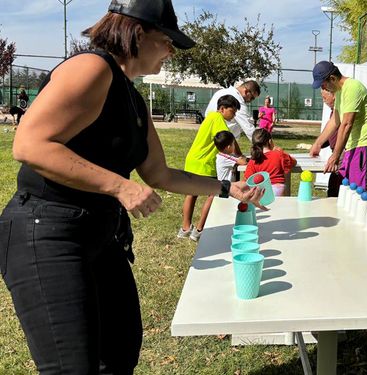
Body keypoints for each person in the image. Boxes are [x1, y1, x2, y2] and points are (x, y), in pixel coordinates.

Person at [0, 1, 265, 373]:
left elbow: (160, 174)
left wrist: (226, 189)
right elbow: (29, 145)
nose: (172, 52)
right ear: (139, 33)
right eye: (168, 41)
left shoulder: (133, 99)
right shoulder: (92, 68)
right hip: (46, 232)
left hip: (99, 234)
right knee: (72, 366)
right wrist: (119, 186)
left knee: (120, 353)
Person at [178, 95, 245, 241]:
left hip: (193, 161)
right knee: (213, 194)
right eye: (232, 112)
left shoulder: (210, 117)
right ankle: (200, 230)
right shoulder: (217, 118)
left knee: (191, 193)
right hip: (205, 164)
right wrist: (239, 155)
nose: (233, 115)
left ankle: (185, 228)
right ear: (222, 109)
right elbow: (229, 139)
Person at [310, 61, 367, 192]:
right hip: (352, 146)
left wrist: (335, 156)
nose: (324, 89)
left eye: (324, 85)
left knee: (357, 193)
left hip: (364, 145)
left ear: (332, 78)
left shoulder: (352, 87)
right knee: (345, 191)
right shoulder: (340, 91)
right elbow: (335, 121)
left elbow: (347, 124)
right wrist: (318, 144)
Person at [244, 128, 297, 197]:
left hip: (261, 191)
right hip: (278, 189)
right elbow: (293, 162)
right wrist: (282, 152)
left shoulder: (253, 160)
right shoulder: (279, 154)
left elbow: (248, 178)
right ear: (270, 141)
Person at [309, 88, 342, 196]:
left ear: (334, 95)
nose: (324, 100)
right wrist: (319, 144)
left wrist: (319, 144)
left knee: (337, 184)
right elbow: (331, 134)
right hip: (335, 152)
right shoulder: (333, 112)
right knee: (333, 186)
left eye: (325, 97)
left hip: (342, 153)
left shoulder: (341, 111)